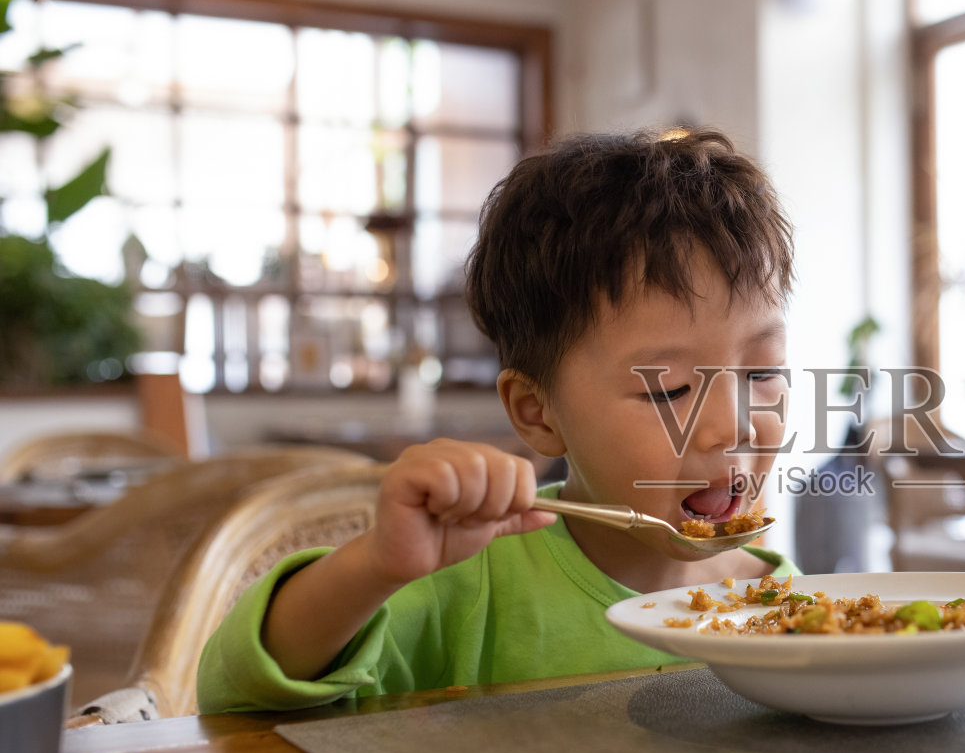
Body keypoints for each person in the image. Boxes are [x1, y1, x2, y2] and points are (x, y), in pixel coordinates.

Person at [198, 129, 800, 713]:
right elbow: (237, 695)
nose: (736, 425)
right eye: (668, 389)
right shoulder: (468, 579)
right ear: (538, 414)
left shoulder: (793, 609)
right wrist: (375, 564)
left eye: (762, 373)